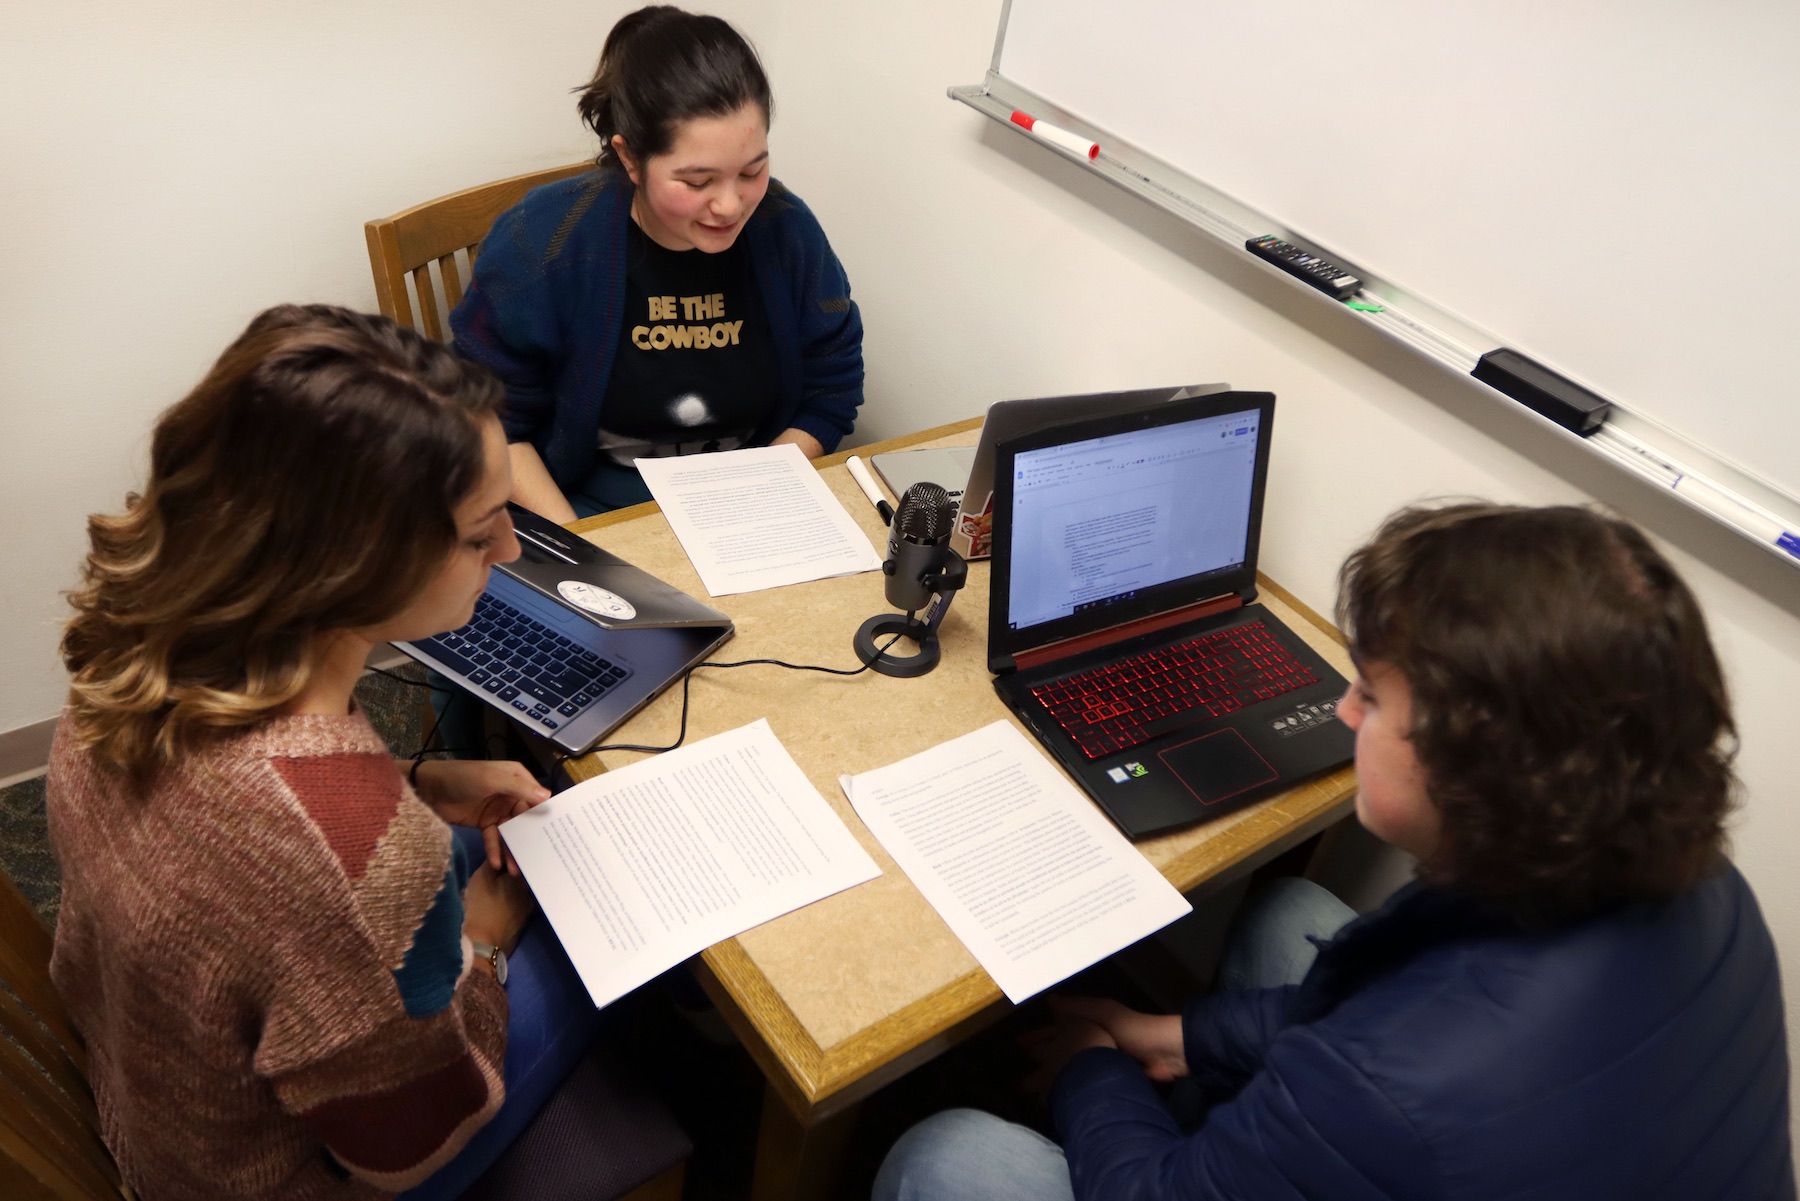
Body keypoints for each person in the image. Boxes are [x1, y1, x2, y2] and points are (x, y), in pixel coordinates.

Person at [874, 502, 1795, 1200]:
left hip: (1429, 1121)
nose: (1345, 710)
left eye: (1373, 695)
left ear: (1470, 757)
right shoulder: (1698, 878)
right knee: (1291, 917)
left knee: (947, 1154)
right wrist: (1173, 1033)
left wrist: (1091, 1066)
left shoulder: (1387, 1091)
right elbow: (1379, 1004)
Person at [47, 304, 607, 1200]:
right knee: (604, 944)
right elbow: (405, 1148)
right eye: (478, 533)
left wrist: (416, 783)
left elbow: (245, 820)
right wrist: (487, 946)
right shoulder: (358, 851)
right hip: (275, 1176)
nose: (510, 549)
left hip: (154, 1064)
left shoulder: (132, 641)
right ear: (356, 561)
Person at [452, 4, 864, 522]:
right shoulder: (544, 243)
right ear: (630, 159)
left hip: (748, 500)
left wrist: (755, 497)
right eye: (697, 182)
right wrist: (585, 545)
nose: (730, 205)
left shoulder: (785, 231)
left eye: (752, 171)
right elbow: (485, 417)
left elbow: (832, 384)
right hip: (584, 510)